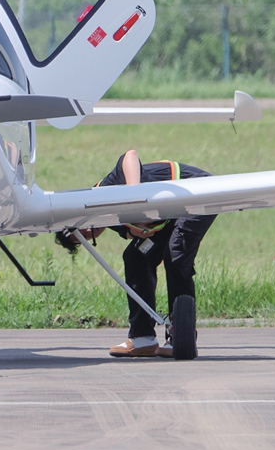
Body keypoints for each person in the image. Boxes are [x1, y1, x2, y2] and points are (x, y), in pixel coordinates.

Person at [56, 150, 216, 359]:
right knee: (136, 256)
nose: (89, 232)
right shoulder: (111, 224)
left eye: (82, 229)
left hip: (195, 192)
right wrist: (135, 228)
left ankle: (180, 337)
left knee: (176, 254)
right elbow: (144, 233)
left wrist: (135, 200)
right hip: (172, 215)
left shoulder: (103, 190)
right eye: (85, 237)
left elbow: (129, 155)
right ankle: (142, 337)